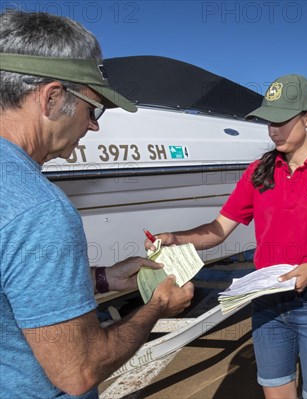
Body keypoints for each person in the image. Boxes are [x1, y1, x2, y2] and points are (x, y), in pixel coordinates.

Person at [146, 74, 307, 399]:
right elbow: (217, 230)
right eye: (267, 121)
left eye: (280, 120)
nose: (272, 130)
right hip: (267, 302)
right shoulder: (259, 172)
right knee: (276, 393)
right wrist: (174, 238)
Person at [0, 11, 194, 398]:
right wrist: (157, 306)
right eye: (94, 109)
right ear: (52, 98)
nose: (94, 126)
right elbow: (79, 370)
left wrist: (103, 278)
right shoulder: (39, 210)